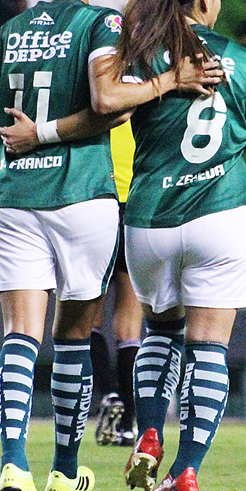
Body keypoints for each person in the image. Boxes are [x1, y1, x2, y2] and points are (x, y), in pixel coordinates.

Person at [0, 0, 216, 491]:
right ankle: (64, 469)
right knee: (74, 336)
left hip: (14, 196)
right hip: (82, 194)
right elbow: (109, 103)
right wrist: (170, 81)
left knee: (19, 335)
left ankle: (13, 464)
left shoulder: (8, 32)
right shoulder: (101, 22)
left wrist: (30, 136)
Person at [93, 0, 246, 491]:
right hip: (220, 216)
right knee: (208, 349)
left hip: (150, 218)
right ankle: (185, 473)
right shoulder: (243, 60)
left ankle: (148, 433)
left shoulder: (141, 55)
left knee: (160, 333)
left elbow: (108, 107)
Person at [91, 118, 143, 448]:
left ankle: (109, 393)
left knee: (88, 319)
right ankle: (128, 423)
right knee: (129, 327)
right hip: (136, 205)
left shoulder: (100, 102)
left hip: (98, 202)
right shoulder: (145, 99)